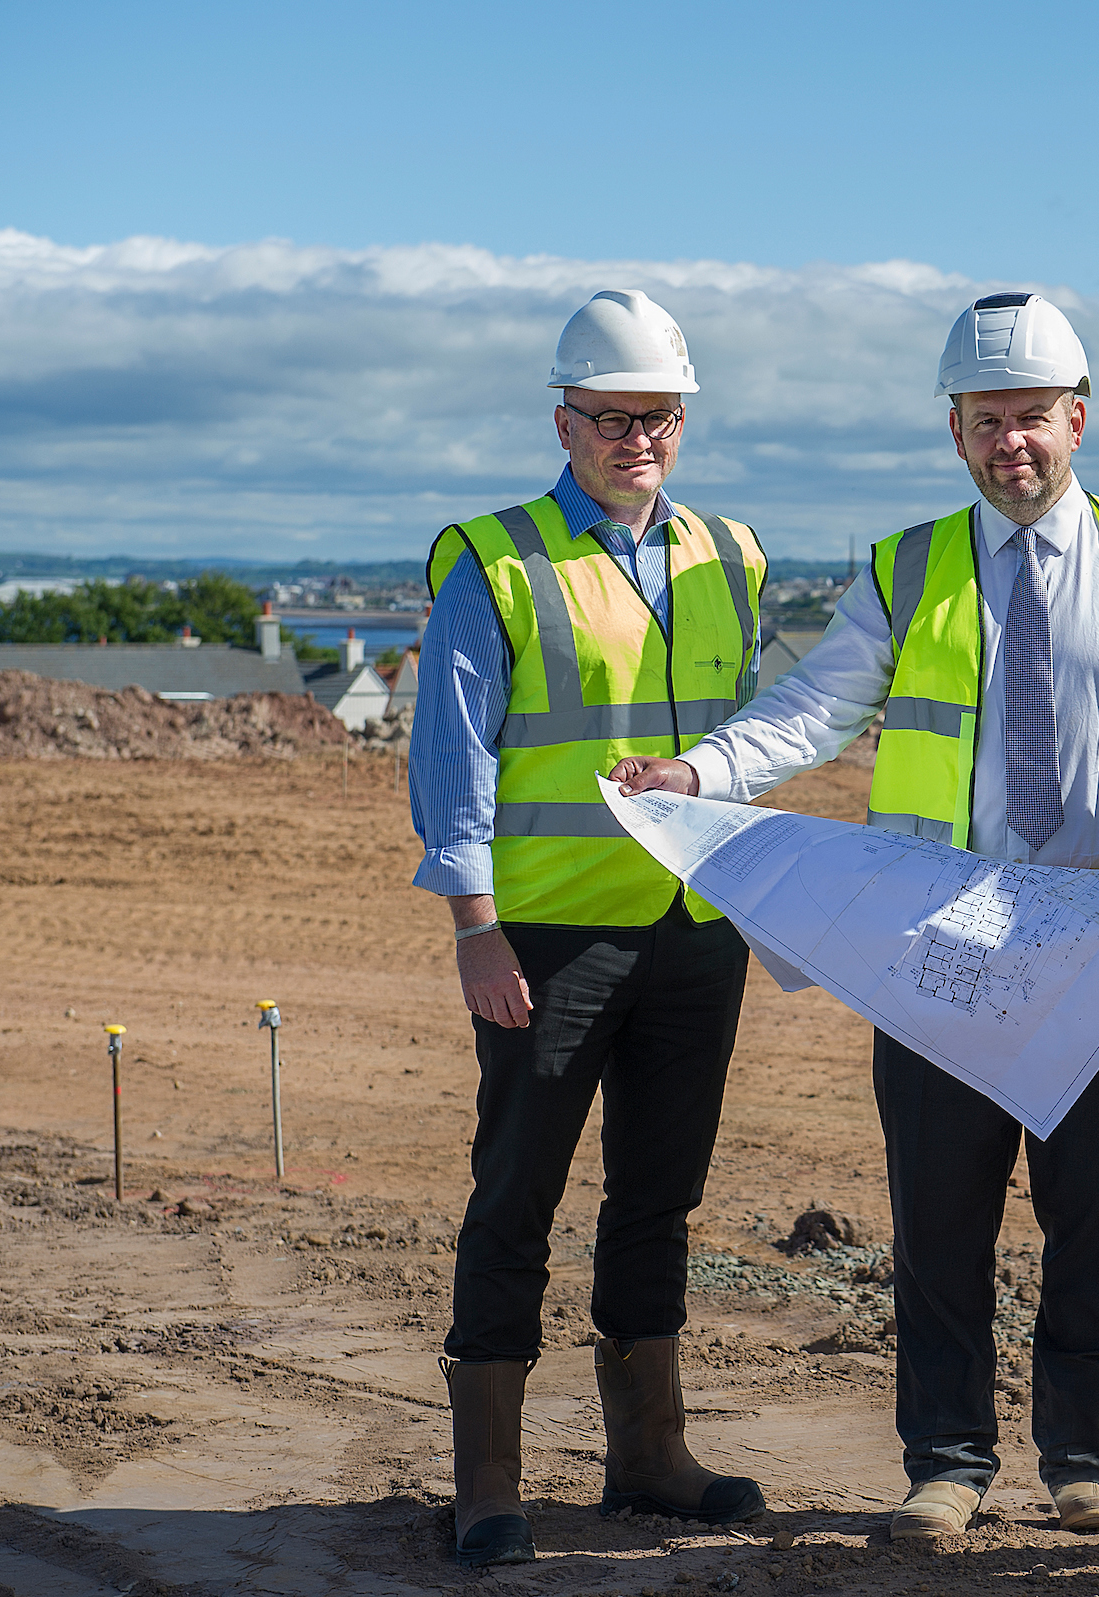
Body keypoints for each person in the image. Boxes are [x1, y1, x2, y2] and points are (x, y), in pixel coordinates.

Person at [613, 292, 1099, 1544]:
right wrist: (697, 773)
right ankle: (949, 1464)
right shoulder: (909, 567)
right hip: (940, 942)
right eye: (986, 422)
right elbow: (811, 710)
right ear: (954, 431)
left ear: (1078, 419)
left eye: (1032, 419)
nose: (1011, 442)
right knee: (941, 1213)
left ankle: (1085, 1458)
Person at [410, 290, 772, 1567]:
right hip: (550, 937)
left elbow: (744, 743)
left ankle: (649, 1454)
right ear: (562, 421)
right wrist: (473, 926)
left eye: (659, 417)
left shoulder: (732, 554)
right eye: (611, 418)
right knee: (517, 1191)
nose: (637, 439)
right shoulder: (496, 560)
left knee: (659, 1196)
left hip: (693, 929)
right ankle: (490, 1476)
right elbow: (452, 758)